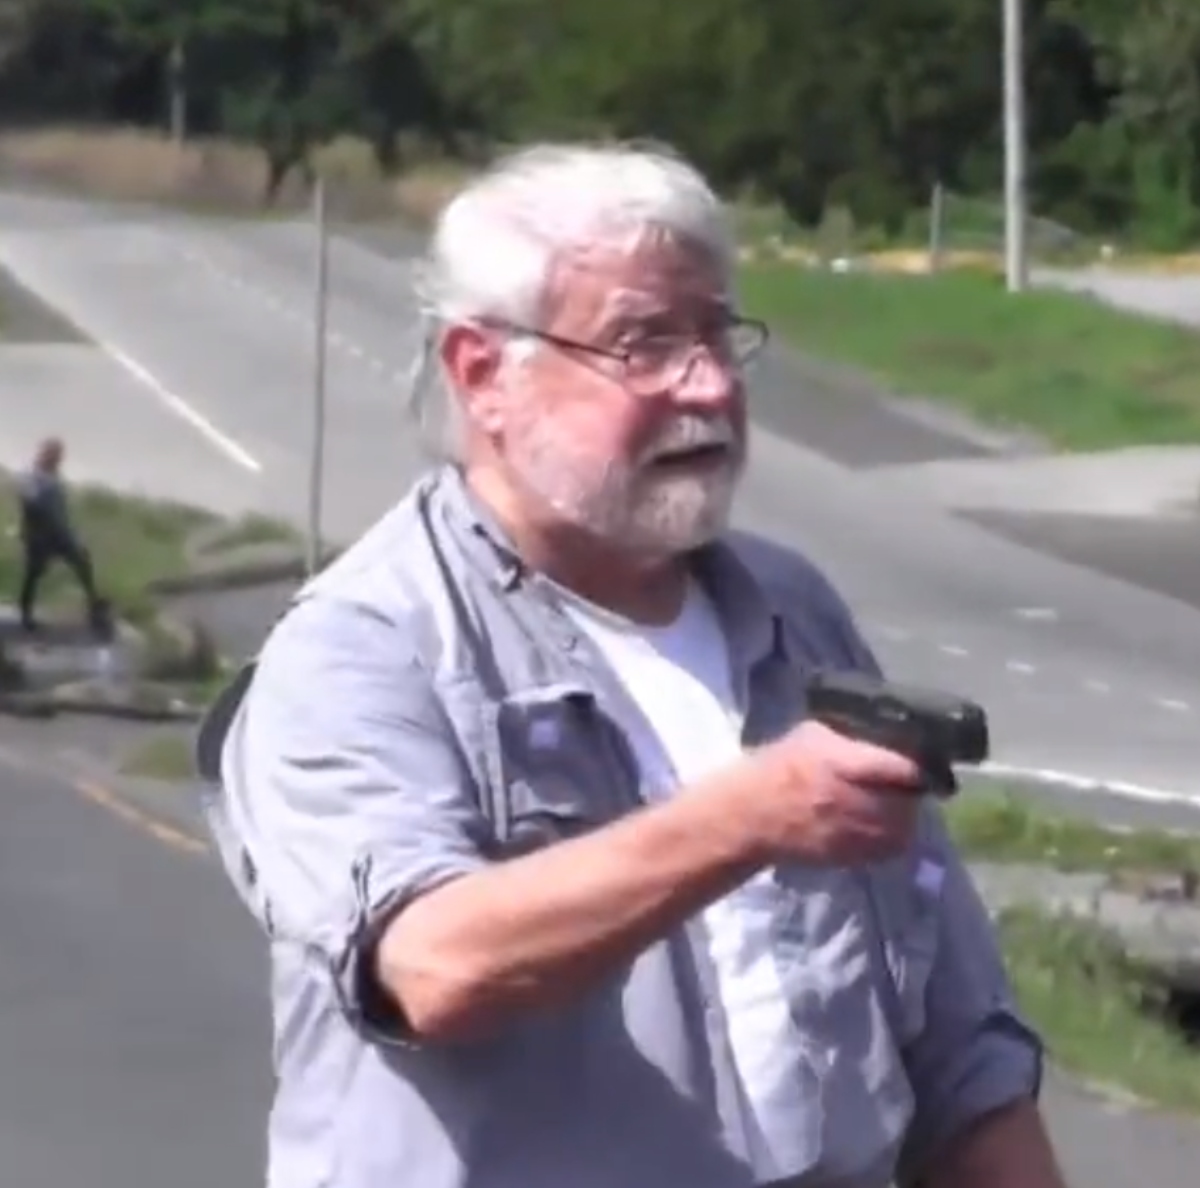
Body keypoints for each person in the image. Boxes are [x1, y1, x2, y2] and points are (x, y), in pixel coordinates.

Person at [196, 141, 1067, 1188]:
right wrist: (748, 819)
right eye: (643, 343)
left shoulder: (792, 612)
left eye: (714, 332)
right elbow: (432, 964)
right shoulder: (363, 648)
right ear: (485, 375)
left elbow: (959, 1047)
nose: (704, 383)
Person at [15, 437, 108, 636]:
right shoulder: (31, 476)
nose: (58, 459)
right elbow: (31, 503)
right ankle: (25, 614)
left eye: (59, 455)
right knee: (34, 574)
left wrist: (70, 531)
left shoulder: (54, 476)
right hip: (39, 535)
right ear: (44, 454)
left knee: (82, 563)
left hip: (60, 534)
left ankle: (94, 605)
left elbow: (60, 509)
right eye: (54, 454)